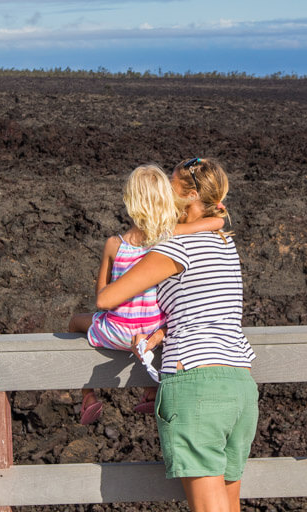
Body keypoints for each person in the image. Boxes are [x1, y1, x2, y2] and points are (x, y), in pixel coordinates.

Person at [97, 158, 258, 512]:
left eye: (170, 186)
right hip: (240, 383)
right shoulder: (224, 243)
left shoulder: (173, 247)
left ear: (189, 196)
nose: (164, 194)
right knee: (230, 504)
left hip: (195, 383)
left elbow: (108, 298)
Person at [69, 164, 223, 425]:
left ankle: (88, 395)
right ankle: (151, 391)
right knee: (165, 317)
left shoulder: (113, 244)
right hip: (153, 334)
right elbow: (214, 223)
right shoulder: (167, 238)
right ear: (165, 200)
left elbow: (102, 300)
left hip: (117, 331)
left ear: (129, 202)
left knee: (75, 321)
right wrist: (219, 213)